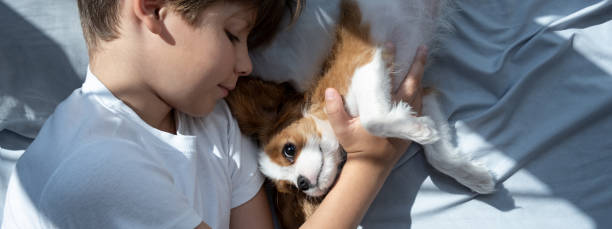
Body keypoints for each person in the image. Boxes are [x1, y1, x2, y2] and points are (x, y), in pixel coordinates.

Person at [1, 0, 427, 228]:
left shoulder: (214, 121)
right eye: (232, 35)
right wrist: (373, 163)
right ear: (151, 8)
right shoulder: (95, 168)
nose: (246, 65)